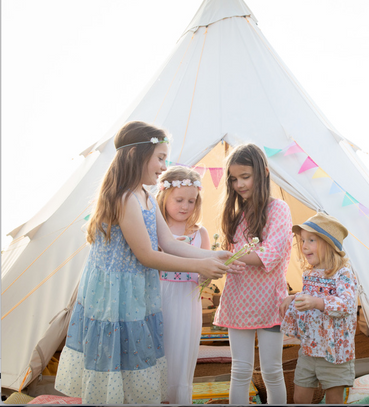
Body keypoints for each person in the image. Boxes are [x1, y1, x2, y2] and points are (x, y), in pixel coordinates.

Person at [54, 121, 241, 405]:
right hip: (115, 296)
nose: (164, 166)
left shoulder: (146, 197)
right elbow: (148, 255)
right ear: (136, 156)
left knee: (135, 360)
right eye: (161, 158)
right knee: (117, 360)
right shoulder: (125, 198)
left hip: (135, 291)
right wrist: (198, 267)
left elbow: (168, 244)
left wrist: (213, 256)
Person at [213, 143, 293, 405]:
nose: (239, 184)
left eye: (245, 177)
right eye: (234, 179)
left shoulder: (278, 209)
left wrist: (228, 257)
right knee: (240, 371)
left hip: (270, 301)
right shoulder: (235, 215)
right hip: (238, 301)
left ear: (264, 172)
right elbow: (234, 258)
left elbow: (269, 254)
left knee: (271, 371)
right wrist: (222, 261)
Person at [280, 212, 357, 405]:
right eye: (303, 240)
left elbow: (347, 304)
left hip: (335, 352)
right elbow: (311, 298)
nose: (304, 246)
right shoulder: (310, 274)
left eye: (311, 240)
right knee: (299, 397)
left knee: (334, 399)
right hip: (310, 348)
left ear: (328, 243)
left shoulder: (343, 273)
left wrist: (318, 303)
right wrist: (294, 298)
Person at [155, 166, 210, 404]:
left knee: (182, 353)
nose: (185, 206)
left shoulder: (200, 233)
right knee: (160, 351)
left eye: (191, 200)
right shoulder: (155, 229)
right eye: (179, 200)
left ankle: (178, 399)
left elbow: (206, 274)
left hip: (187, 302)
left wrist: (211, 274)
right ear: (164, 196)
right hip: (159, 298)